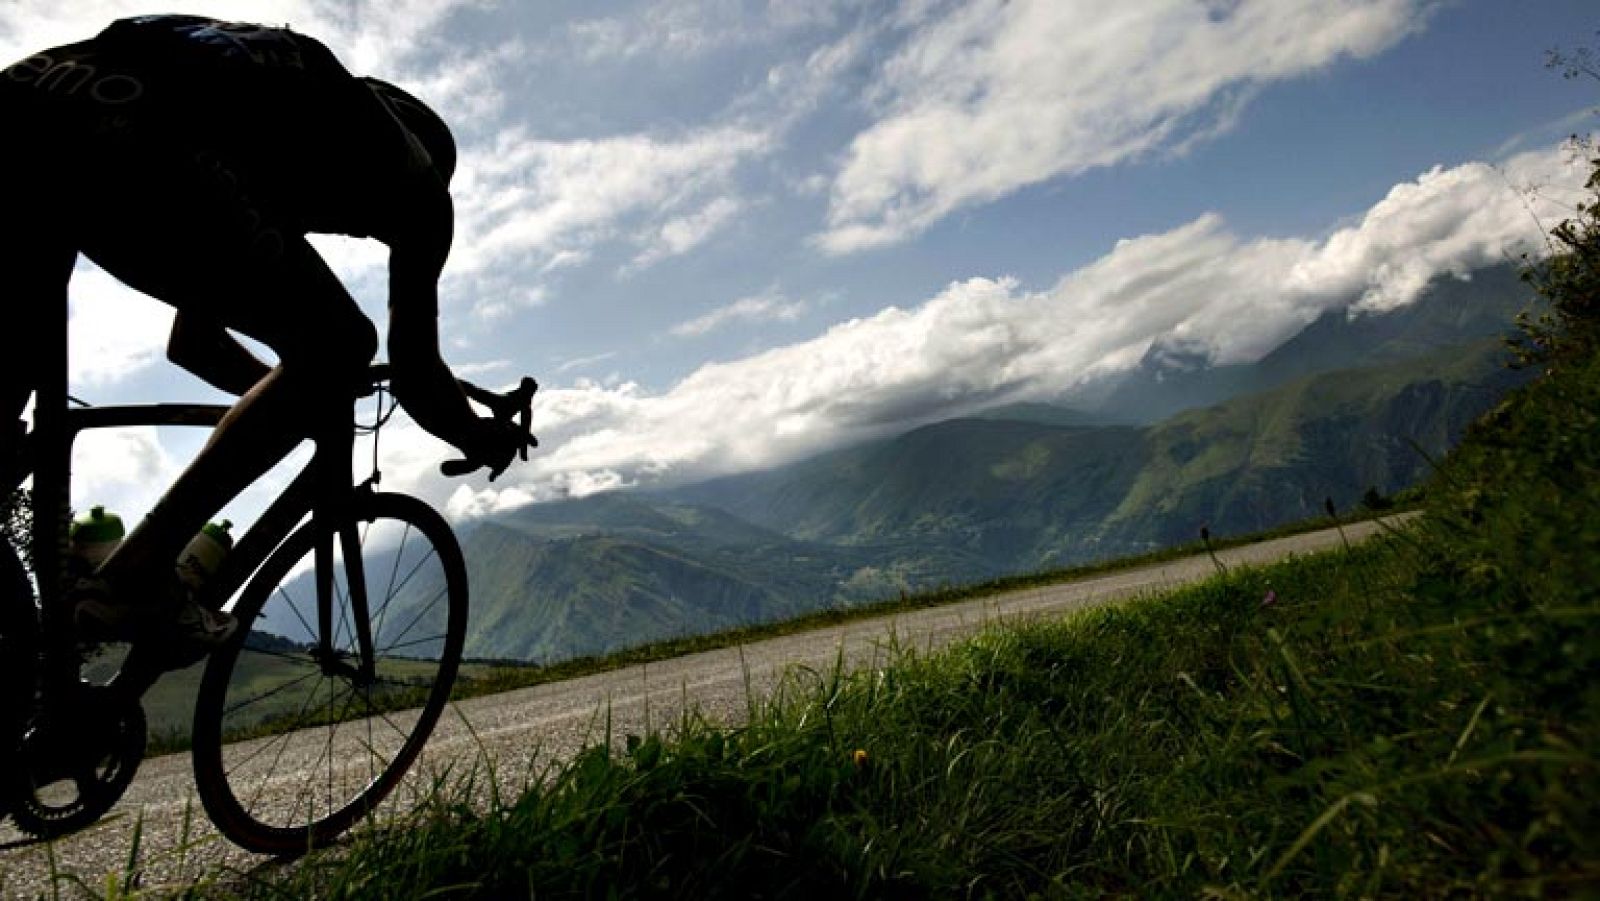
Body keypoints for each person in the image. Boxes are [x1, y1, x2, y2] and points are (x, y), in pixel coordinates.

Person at [0, 15, 528, 651]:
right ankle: (137, 575)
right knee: (341, 343)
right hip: (135, 131)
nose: (362, 229)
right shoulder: (414, 177)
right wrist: (482, 435)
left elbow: (192, 343)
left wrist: (288, 398)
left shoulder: (277, 127)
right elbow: (415, 375)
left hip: (29, 102)